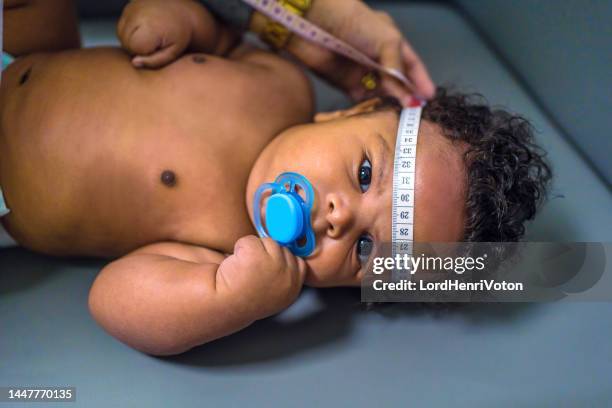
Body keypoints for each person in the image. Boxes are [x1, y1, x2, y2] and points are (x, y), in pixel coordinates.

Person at [0, 0, 550, 355]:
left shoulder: (224, 248)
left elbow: (112, 299)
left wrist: (227, 299)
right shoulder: (281, 81)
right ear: (349, 112)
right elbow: (220, 36)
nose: (339, 217)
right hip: (30, 53)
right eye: (364, 173)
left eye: (364, 249)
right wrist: (177, 20)